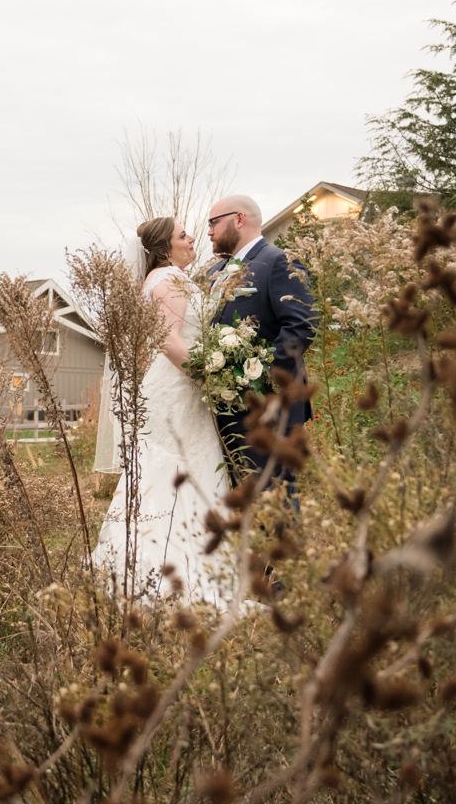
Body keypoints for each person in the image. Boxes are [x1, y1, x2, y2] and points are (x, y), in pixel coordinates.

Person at [90, 216, 238, 608]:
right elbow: (168, 340)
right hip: (178, 390)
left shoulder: (162, 279)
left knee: (178, 469)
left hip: (175, 388)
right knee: (176, 468)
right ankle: (170, 570)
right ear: (164, 248)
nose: (192, 240)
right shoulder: (167, 280)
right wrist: (208, 376)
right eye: (183, 235)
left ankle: (177, 564)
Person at [204, 194, 317, 499]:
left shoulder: (278, 262)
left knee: (273, 496)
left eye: (214, 223)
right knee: (239, 495)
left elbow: (301, 325)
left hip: (269, 406)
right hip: (223, 407)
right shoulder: (213, 273)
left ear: (239, 219)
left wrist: (256, 380)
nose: (210, 232)